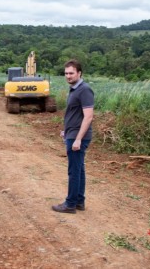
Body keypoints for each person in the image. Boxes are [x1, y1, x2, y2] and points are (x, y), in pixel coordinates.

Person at [52, 60, 94, 214]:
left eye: (71, 73)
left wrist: (77, 139)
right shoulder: (75, 89)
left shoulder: (84, 90)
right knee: (79, 169)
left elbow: (88, 117)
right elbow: (74, 115)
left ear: (79, 73)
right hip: (72, 134)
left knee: (74, 171)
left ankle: (70, 204)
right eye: (66, 73)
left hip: (78, 136)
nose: (68, 76)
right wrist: (66, 130)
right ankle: (79, 202)